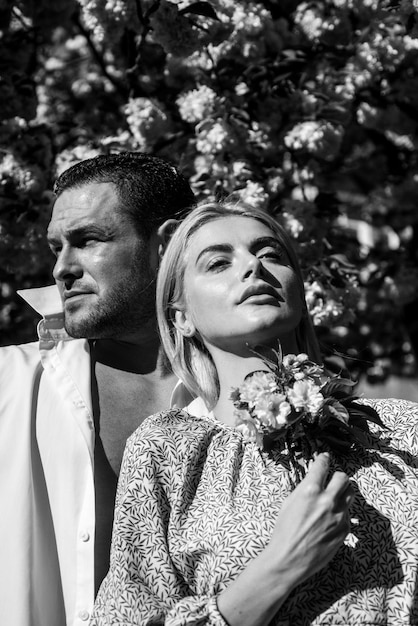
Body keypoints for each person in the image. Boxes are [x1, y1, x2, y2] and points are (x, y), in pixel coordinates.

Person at [92, 201, 418, 625]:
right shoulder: (166, 452)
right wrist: (280, 565)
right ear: (182, 317)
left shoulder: (402, 429)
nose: (253, 267)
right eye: (218, 263)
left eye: (270, 255)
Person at [0, 152, 196, 626]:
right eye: (56, 248)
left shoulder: (260, 396)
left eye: (88, 240)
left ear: (167, 244)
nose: (61, 269)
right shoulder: (10, 384)